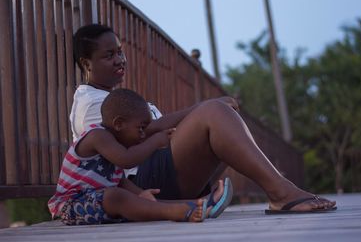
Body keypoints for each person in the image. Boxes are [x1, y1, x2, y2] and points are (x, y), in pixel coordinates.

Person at [71, 24, 336, 214]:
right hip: (141, 185)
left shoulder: (109, 97)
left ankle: (278, 187)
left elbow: (148, 131)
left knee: (222, 118)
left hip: (156, 173)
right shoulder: (93, 103)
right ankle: (281, 192)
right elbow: (135, 142)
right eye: (109, 56)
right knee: (214, 113)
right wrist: (203, 108)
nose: (120, 60)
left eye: (120, 52)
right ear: (87, 64)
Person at [48, 88, 233, 225]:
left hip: (97, 202)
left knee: (139, 199)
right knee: (116, 197)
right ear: (119, 124)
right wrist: (156, 141)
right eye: (141, 128)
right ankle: (177, 212)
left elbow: (119, 180)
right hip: (71, 206)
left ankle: (199, 205)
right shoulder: (98, 136)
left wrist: (140, 193)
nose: (144, 134)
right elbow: (127, 159)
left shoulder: (115, 142)